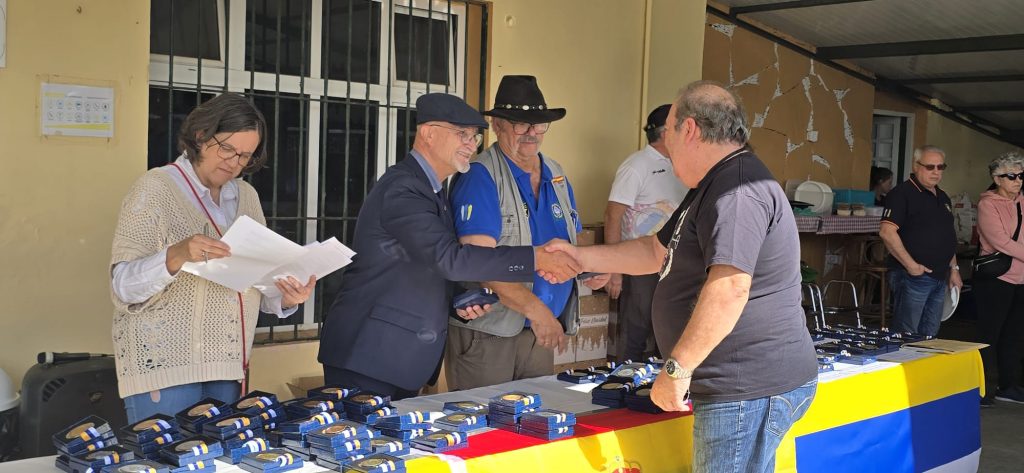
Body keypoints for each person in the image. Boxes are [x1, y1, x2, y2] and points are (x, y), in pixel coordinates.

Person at [543, 81, 817, 472]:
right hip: (740, 384)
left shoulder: (737, 191)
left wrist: (677, 369)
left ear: (689, 129)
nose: (665, 143)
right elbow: (654, 252)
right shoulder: (713, 183)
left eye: (667, 131)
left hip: (744, 386)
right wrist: (580, 255)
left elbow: (729, 288)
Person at [317, 93, 580, 400]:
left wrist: (461, 298)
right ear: (428, 133)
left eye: (474, 137)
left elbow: (428, 263)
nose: (471, 145)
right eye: (462, 134)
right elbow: (449, 259)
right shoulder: (404, 188)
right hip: (369, 354)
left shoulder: (433, 189)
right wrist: (534, 258)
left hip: (401, 357)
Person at [110, 93, 316, 423]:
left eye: (245, 156)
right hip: (166, 368)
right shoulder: (155, 188)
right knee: (169, 453)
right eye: (227, 149)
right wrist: (176, 255)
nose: (234, 162)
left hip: (228, 367)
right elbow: (123, 287)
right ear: (201, 136)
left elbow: (254, 282)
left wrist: (286, 296)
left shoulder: (247, 196)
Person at [444, 75, 606, 391]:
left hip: (540, 332)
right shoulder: (481, 176)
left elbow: (566, 246)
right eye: (520, 124)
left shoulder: (556, 174)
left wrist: (589, 270)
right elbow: (480, 262)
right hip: (491, 335)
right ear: (497, 125)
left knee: (536, 419)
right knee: (484, 419)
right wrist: (539, 312)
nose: (532, 133)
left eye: (539, 124)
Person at [604, 104, 688, 362]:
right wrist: (614, 270)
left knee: (669, 330)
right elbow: (612, 215)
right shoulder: (637, 165)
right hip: (640, 263)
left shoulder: (682, 165)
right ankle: (623, 379)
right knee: (636, 330)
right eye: (681, 128)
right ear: (665, 132)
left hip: (674, 263)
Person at [879, 145, 961, 336]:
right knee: (906, 334)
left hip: (940, 276)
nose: (936, 172)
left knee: (930, 334)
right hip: (914, 276)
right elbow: (887, 232)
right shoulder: (902, 194)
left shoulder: (943, 196)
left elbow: (946, 235)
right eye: (930, 167)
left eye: (940, 167)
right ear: (916, 166)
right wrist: (911, 266)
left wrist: (954, 269)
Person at [975, 151, 1024, 405]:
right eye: (1011, 176)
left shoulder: (1022, 201)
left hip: (1021, 279)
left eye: (1021, 175)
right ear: (997, 179)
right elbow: (1000, 241)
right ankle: (983, 388)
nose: (1018, 181)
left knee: (1014, 335)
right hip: (996, 278)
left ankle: (1008, 386)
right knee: (989, 335)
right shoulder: (988, 204)